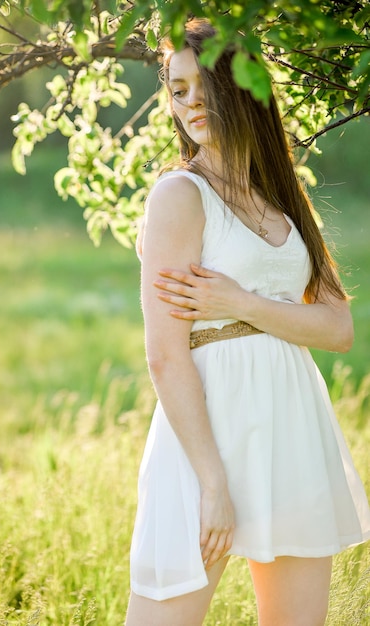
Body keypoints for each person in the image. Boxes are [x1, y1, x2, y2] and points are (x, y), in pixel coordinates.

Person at [125, 18, 370, 626]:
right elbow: (164, 353)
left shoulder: (282, 197)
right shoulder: (179, 196)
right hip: (208, 434)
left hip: (291, 425)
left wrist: (243, 303)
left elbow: (338, 328)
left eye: (203, 84)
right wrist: (212, 481)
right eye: (177, 89)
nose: (190, 103)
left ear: (242, 85)